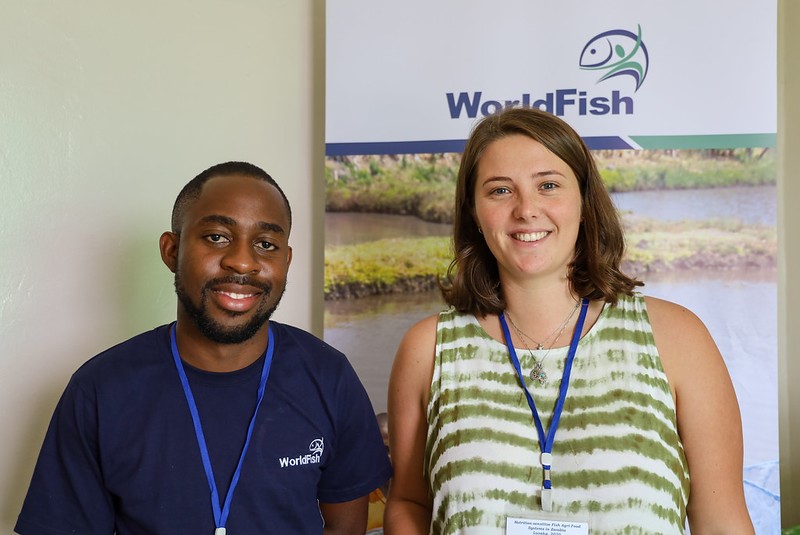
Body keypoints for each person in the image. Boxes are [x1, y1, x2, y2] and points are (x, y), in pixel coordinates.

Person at [384, 108, 754, 534]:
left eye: (548, 185)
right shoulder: (428, 349)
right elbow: (409, 504)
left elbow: (723, 521)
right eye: (500, 190)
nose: (526, 210)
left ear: (583, 202)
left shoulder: (678, 339)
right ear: (473, 212)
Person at [15, 161, 392, 535]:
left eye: (266, 244)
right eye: (217, 237)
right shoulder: (100, 390)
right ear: (171, 250)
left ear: (285, 261)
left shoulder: (329, 376)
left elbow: (345, 526)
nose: (243, 261)